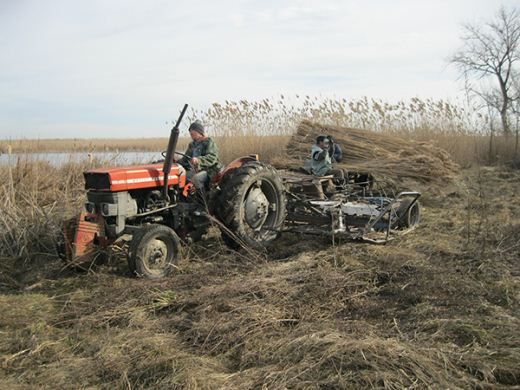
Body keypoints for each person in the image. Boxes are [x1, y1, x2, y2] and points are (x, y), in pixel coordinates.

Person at [178, 121, 222, 191]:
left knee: (196, 179)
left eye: (193, 132)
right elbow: (185, 159)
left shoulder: (208, 142)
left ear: (199, 132)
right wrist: (175, 162)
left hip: (210, 170)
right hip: (196, 170)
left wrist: (198, 160)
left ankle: (202, 199)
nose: (191, 134)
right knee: (181, 176)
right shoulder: (192, 145)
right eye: (190, 133)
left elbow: (212, 157)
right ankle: (184, 197)